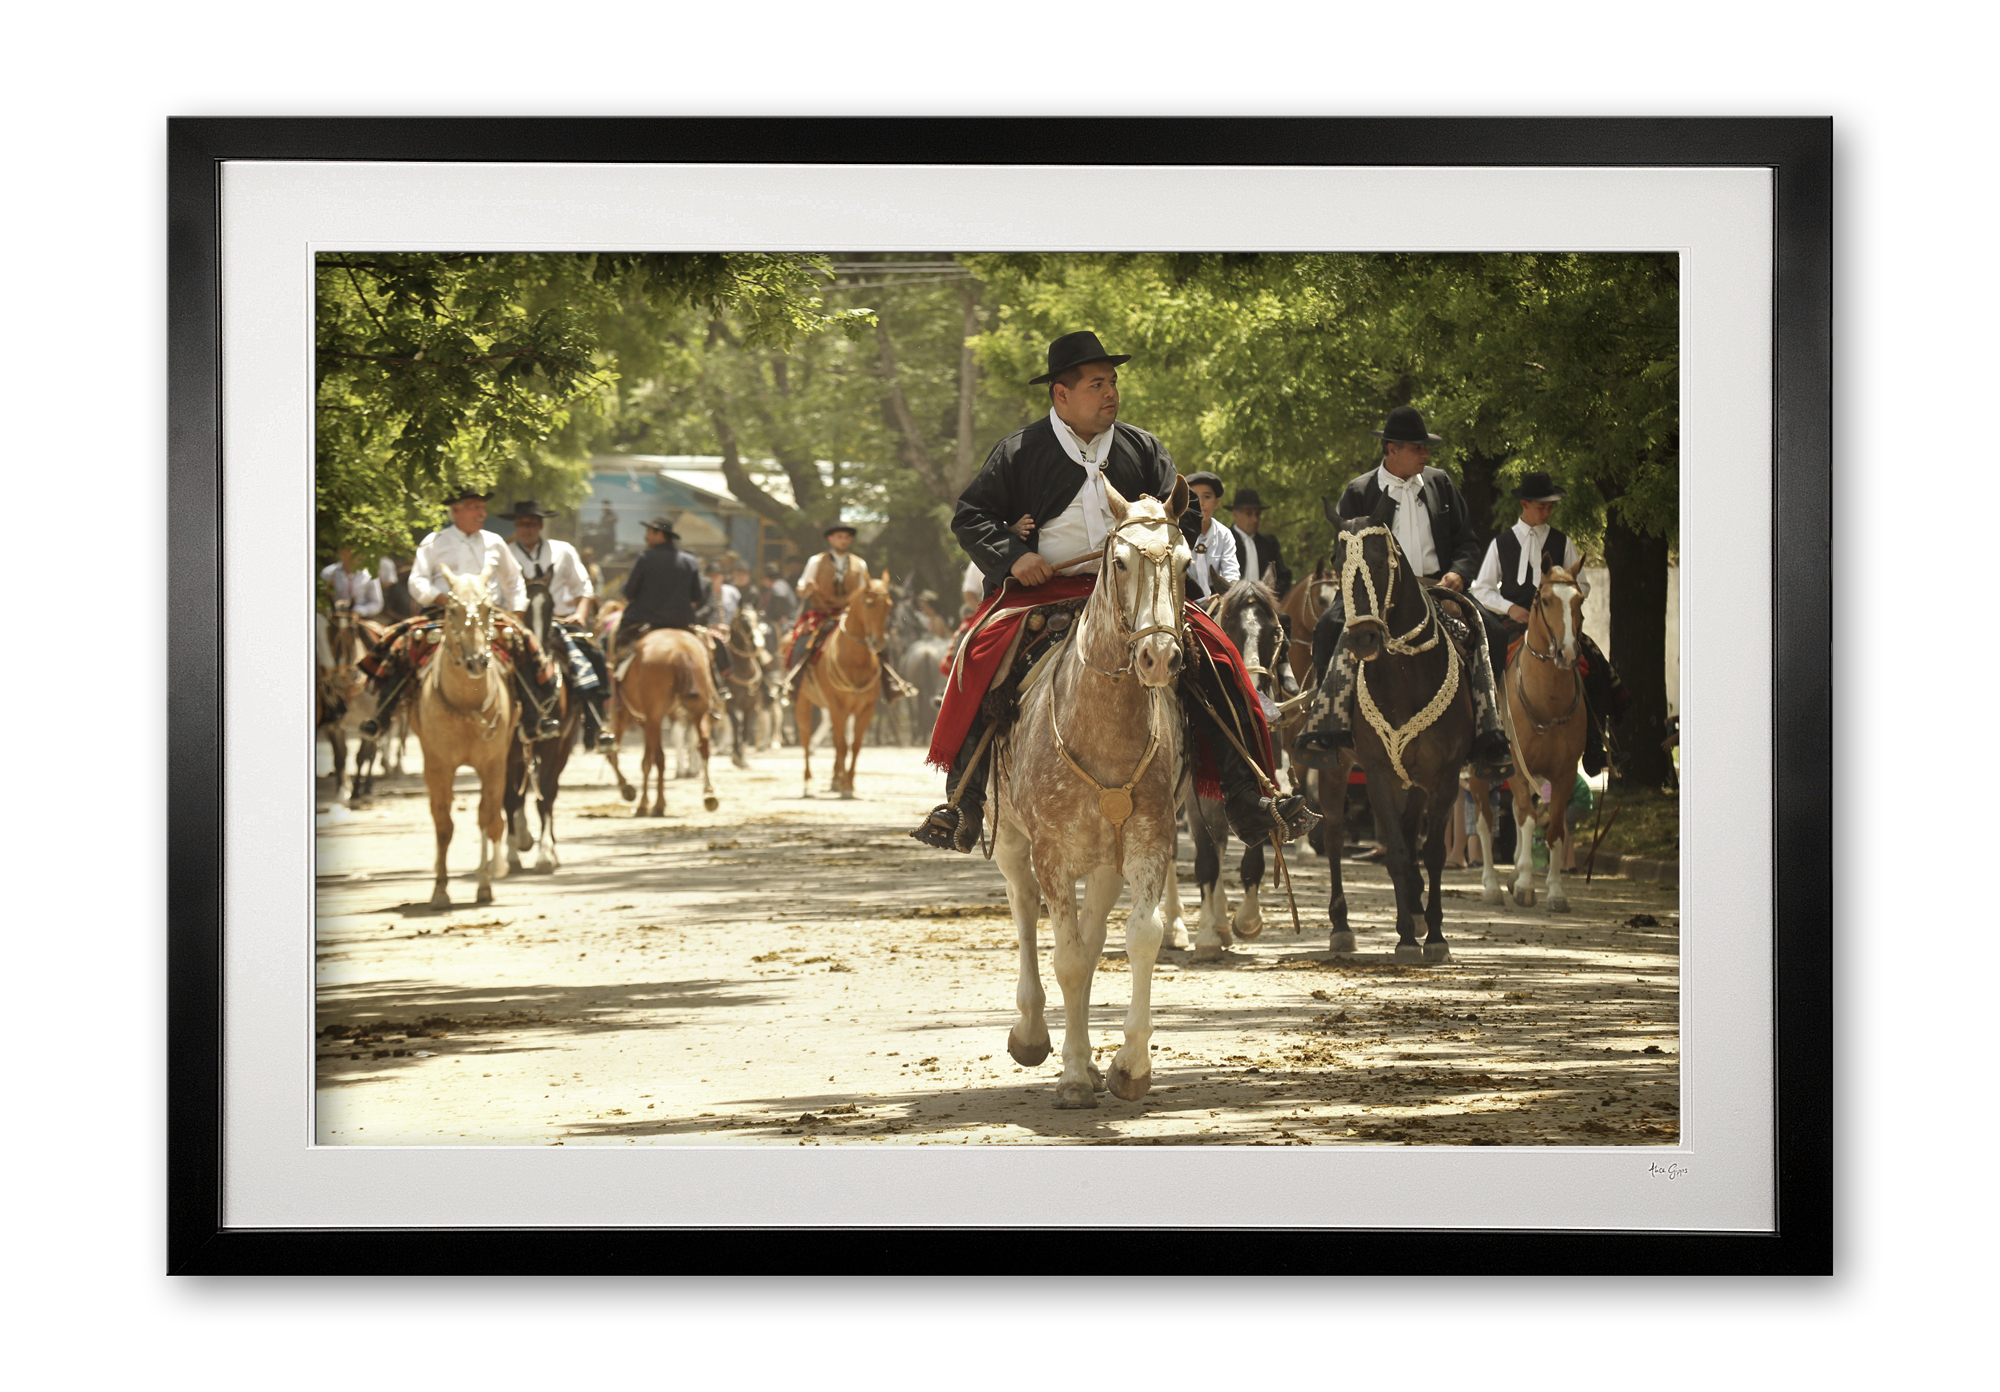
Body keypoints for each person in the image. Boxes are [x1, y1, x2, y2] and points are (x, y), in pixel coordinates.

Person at [912, 330, 1315, 853]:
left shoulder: (1141, 447)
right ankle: (964, 801)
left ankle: (1248, 796)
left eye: (1113, 382)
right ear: (1061, 394)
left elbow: (1185, 511)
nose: (1111, 393)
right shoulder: (1019, 451)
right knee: (980, 654)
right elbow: (971, 517)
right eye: (1097, 384)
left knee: (1218, 656)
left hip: (1137, 590)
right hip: (1045, 589)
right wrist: (1015, 557)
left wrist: (1154, 539)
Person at [1293, 405, 1514, 782]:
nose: (1425, 454)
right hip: (1373, 594)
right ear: (1392, 449)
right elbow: (1341, 552)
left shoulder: (1440, 484)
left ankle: (1487, 734)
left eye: (1425, 448)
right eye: (1417, 447)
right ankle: (1328, 726)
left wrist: (1458, 575)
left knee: (1493, 631)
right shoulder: (1359, 491)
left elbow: (1467, 542)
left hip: (1437, 588)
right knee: (1328, 628)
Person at [357, 488, 562, 742]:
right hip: (442, 613)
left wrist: (517, 612)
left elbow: (514, 581)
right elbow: (417, 581)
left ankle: (533, 718)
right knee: (405, 643)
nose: (482, 513)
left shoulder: (494, 542)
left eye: (482, 507)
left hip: (489, 615)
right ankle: (382, 716)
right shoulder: (434, 542)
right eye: (475, 507)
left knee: (521, 643)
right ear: (456, 510)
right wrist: (444, 599)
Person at [1469, 471, 1631, 776]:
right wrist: (1511, 608)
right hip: (1513, 622)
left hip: (1556, 625)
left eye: (1550, 506)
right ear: (1525, 504)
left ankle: (1595, 747)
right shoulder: (1502, 543)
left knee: (1592, 661)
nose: (1547, 511)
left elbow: (1582, 584)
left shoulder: (1562, 541)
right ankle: (1485, 742)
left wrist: (1563, 599)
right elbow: (1482, 589)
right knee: (1484, 663)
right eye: (1542, 506)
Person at [505, 499, 614, 753]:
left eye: (532, 523)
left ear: (540, 525)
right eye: (522, 523)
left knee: (594, 655)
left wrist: (579, 614)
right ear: (516, 525)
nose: (527, 529)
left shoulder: (562, 551)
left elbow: (582, 587)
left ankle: (596, 726)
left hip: (557, 623)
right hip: (517, 624)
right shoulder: (505, 552)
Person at [778, 523, 869, 696]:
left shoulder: (860, 564)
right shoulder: (816, 561)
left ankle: (890, 683)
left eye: (847, 537)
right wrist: (808, 589)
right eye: (839, 537)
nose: (843, 541)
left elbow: (864, 592)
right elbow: (801, 590)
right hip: (822, 614)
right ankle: (794, 683)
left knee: (878, 641)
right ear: (831, 539)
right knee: (802, 643)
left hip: (849, 615)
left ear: (850, 540)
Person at [614, 516, 709, 670]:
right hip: (682, 622)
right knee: (712, 651)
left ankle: (612, 677)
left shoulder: (645, 558)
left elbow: (629, 592)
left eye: (649, 533)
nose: (646, 537)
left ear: (660, 534)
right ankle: (719, 680)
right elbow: (698, 595)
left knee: (611, 643)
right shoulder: (690, 561)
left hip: (645, 620)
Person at [1184, 471, 1240, 600]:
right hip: (1184, 602)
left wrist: (1225, 595)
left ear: (1216, 503)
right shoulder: (1177, 533)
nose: (1201, 502)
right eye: (1194, 497)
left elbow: (1231, 573)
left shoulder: (1224, 534)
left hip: (1218, 600)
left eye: (1207, 497)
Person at [1229, 487, 1293, 596]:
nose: (1255, 519)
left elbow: (1283, 577)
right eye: (1249, 514)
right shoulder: (1223, 541)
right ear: (1235, 515)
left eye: (1257, 514)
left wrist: (1270, 594)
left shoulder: (1269, 544)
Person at [320, 548, 383, 618]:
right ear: (341, 551)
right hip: (332, 617)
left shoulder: (369, 575)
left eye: (356, 551)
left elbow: (376, 603)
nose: (353, 554)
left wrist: (360, 611)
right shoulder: (328, 573)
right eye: (349, 550)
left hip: (361, 618)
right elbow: (320, 600)